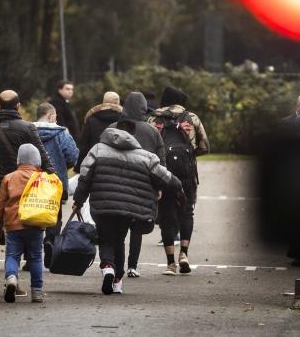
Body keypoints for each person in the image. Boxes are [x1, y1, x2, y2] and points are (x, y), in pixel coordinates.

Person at [73, 121, 183, 295]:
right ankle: (117, 279)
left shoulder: (97, 150)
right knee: (119, 240)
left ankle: (107, 267)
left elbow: (85, 177)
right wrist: (179, 188)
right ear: (133, 136)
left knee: (105, 238)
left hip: (102, 205)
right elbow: (164, 177)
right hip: (128, 209)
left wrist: (78, 200)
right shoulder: (145, 157)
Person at [0, 90, 53, 294]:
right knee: (19, 231)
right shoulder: (27, 128)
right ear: (18, 106)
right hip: (24, 191)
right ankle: (15, 280)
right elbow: (42, 157)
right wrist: (51, 179)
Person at [150, 86, 209, 276]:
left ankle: (170, 264)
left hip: (162, 172)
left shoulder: (153, 119)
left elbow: (147, 148)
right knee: (186, 212)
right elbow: (205, 146)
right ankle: (184, 253)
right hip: (187, 173)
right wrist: (191, 154)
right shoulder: (191, 118)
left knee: (166, 216)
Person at [109, 92, 166, 278]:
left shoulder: (113, 128)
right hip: (143, 185)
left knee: (118, 228)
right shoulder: (152, 132)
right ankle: (133, 265)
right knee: (136, 227)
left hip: (116, 183)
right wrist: (159, 187)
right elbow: (160, 163)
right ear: (143, 108)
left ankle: (118, 267)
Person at [0, 144, 49, 303]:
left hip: (13, 224)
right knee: (36, 258)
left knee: (12, 255)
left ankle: (11, 278)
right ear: (37, 160)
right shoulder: (42, 178)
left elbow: (0, 205)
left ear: (19, 160)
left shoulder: (9, 178)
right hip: (36, 224)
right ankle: (37, 292)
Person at [34, 102, 79, 266]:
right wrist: (63, 166)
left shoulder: (27, 131)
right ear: (50, 116)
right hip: (55, 181)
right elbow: (74, 156)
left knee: (31, 213)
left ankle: (31, 253)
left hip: (32, 182)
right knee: (55, 215)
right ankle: (50, 240)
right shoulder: (61, 133)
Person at [75, 91, 122, 172]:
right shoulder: (124, 121)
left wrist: (78, 167)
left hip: (95, 164)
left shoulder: (91, 120)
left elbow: (84, 146)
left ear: (103, 102)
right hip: (117, 164)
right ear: (118, 102)